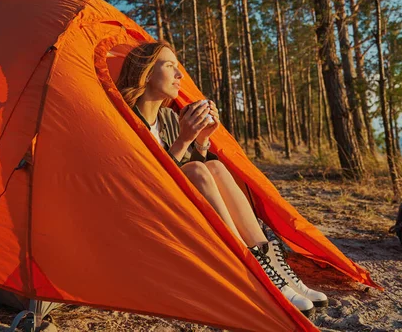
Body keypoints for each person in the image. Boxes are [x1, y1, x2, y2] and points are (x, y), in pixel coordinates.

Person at [116, 41, 327, 315]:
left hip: (183, 208)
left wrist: (202, 140)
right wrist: (183, 141)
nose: (180, 75)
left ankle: (268, 263)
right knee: (196, 169)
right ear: (145, 73)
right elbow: (147, 183)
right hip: (148, 214)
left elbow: (197, 177)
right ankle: (244, 265)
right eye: (170, 67)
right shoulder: (124, 118)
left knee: (211, 166)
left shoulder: (168, 117)